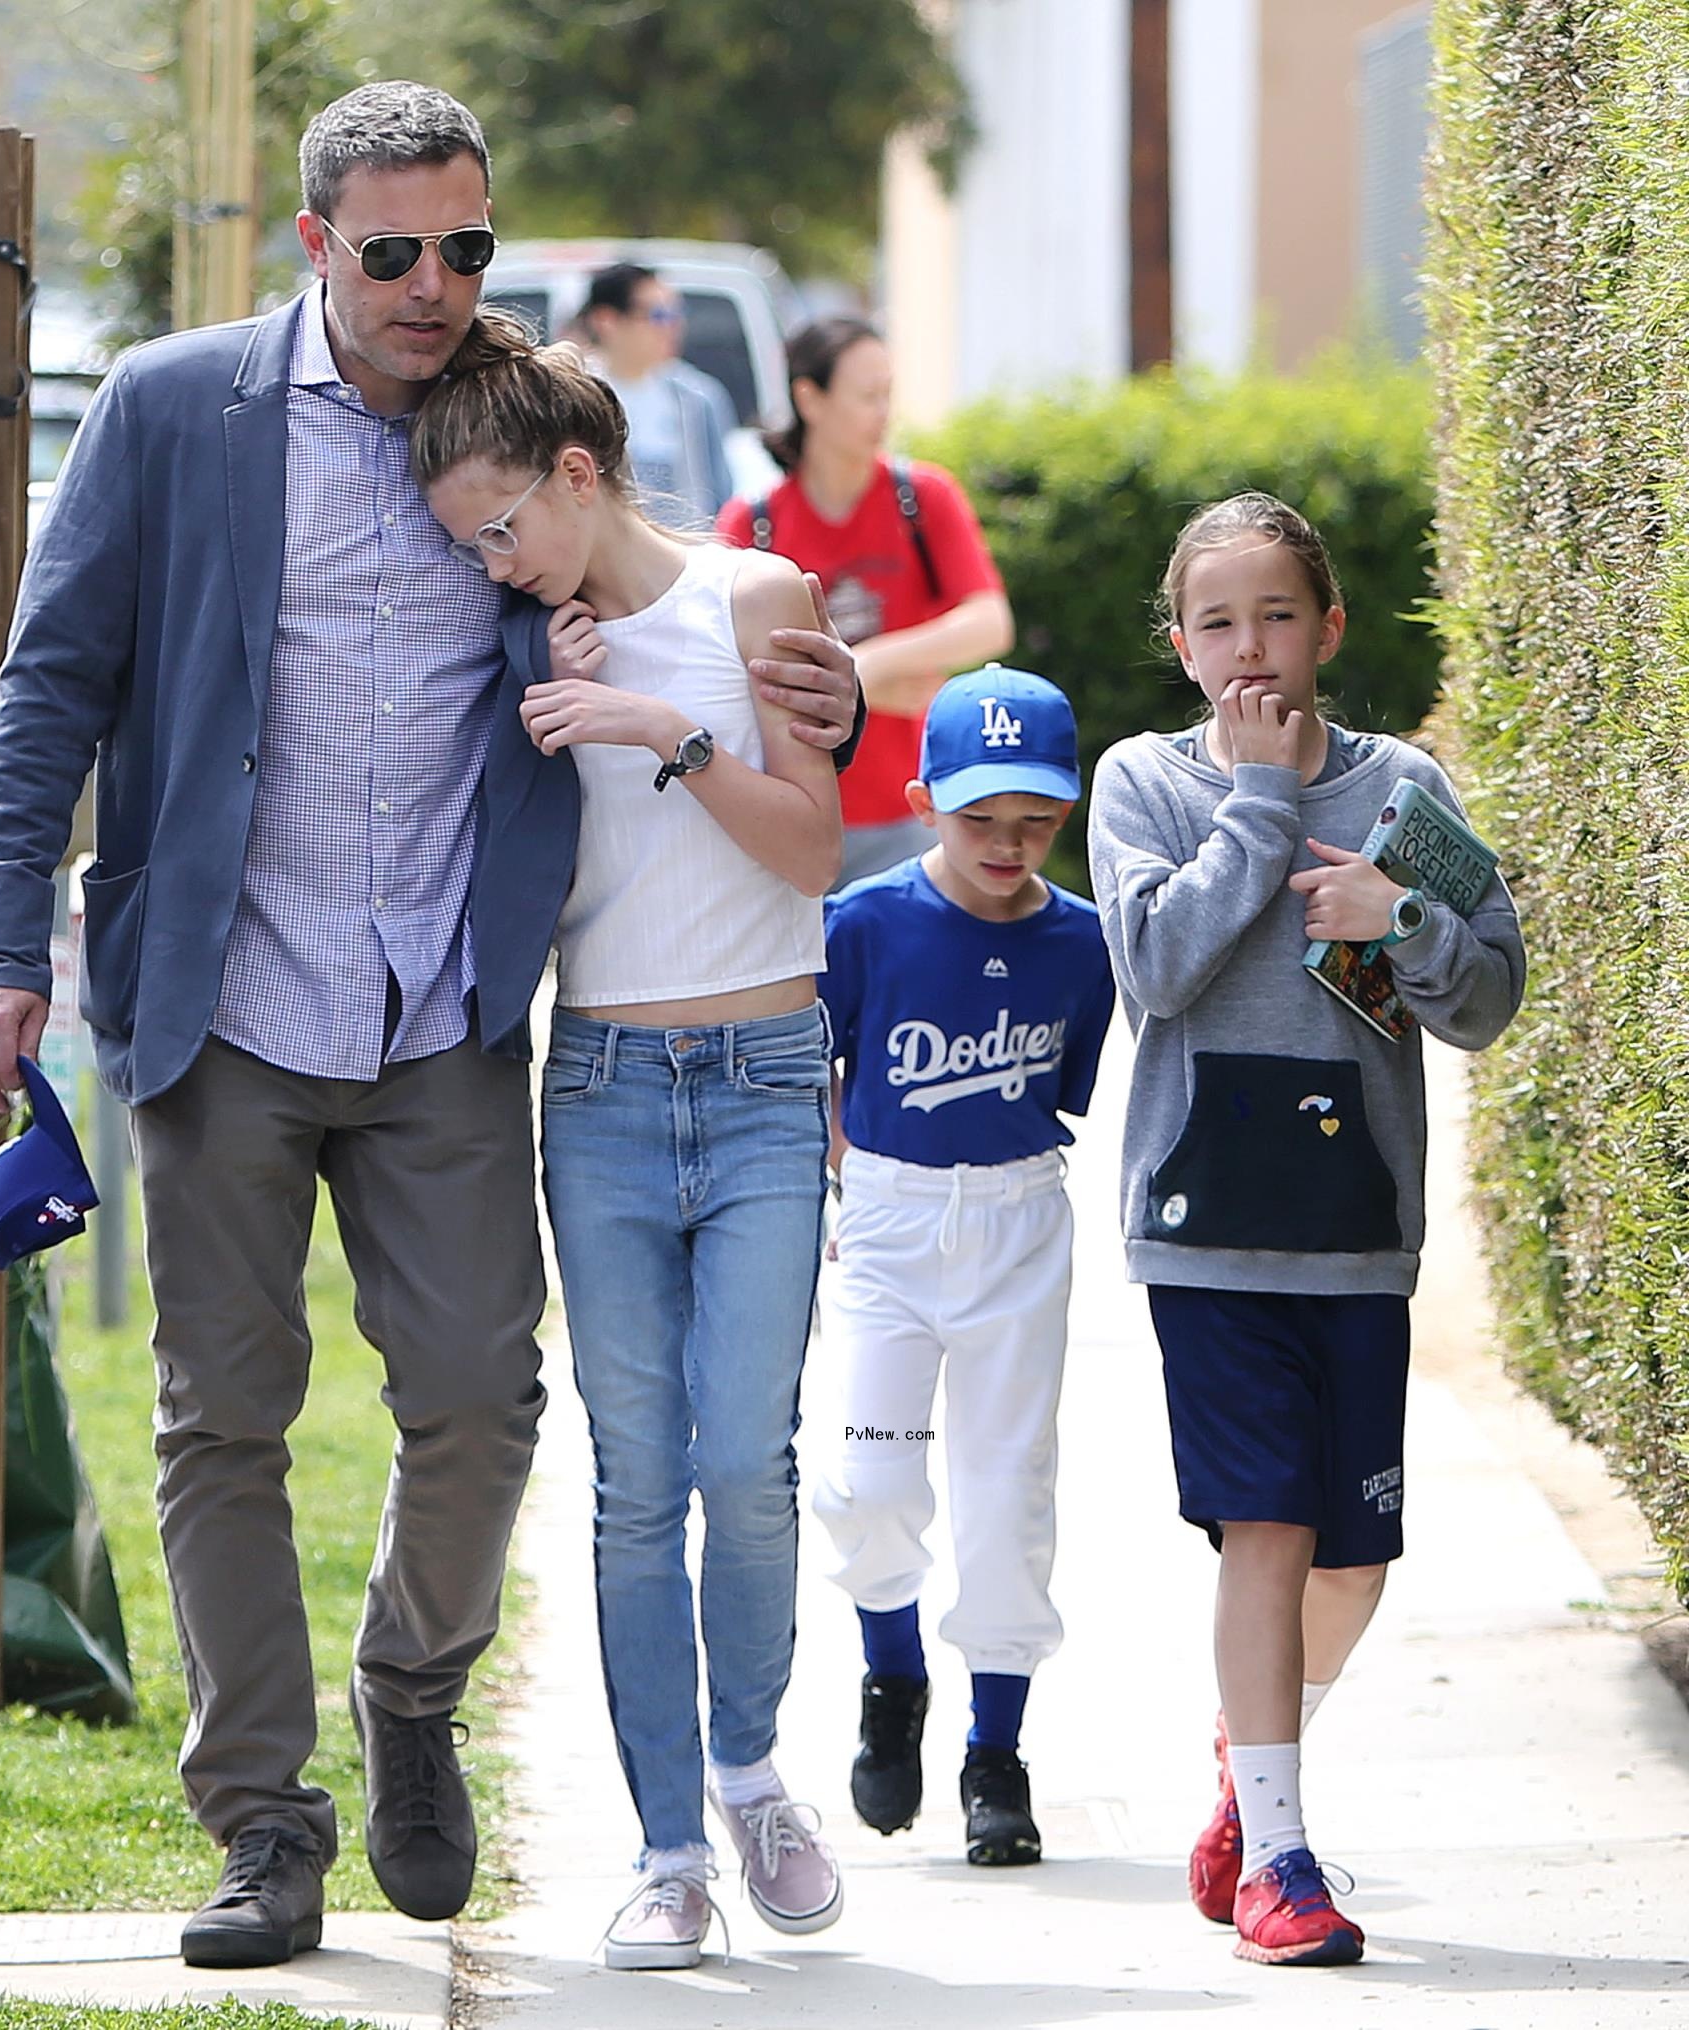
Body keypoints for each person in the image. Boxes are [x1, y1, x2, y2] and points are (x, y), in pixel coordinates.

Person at [0, 79, 859, 1972]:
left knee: (477, 1399)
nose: (434, 282)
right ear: (312, 247)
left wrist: (803, 664)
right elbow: (51, 684)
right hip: (223, 1002)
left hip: (442, 1004)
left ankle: (412, 1690)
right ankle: (265, 1821)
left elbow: (635, 550)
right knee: (225, 1421)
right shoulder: (174, 408)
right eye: (393, 252)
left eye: (467, 247)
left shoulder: (489, 417)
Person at [413, 324, 847, 1975]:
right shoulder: (526, 636)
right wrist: (548, 672)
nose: (489, 557)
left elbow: (811, 851)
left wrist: (660, 729)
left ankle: (750, 1776)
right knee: (633, 1481)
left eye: (501, 524)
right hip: (597, 1084)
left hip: (757, 1076)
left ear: (578, 475)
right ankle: (668, 1852)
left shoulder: (758, 602)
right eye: (469, 541)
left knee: (746, 1461)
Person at [1085, 492, 1524, 1968]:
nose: (1250, 647)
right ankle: (1279, 1852)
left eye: (1278, 614)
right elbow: (1153, 967)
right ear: (1180, 643)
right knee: (1261, 1526)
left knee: (1353, 1559)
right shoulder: (1144, 783)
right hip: (1207, 1228)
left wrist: (1396, 913)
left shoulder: (1407, 788)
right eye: (1217, 622)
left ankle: (1242, 1759)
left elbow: (1488, 998)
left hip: (1356, 1231)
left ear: (1329, 625)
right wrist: (1261, 804)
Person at [812, 664, 1115, 1868]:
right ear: (923, 791)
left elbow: (1065, 1095)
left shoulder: (1082, 940)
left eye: (1035, 820)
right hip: (887, 1216)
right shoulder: (866, 917)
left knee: (1008, 1490)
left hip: (1016, 1221)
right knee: (868, 1479)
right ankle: (894, 1676)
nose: (1008, 842)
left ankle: (998, 1750)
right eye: (980, 816)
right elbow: (816, 1068)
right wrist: (850, 1184)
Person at [719, 316, 1014, 887]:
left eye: (888, 394)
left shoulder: (923, 498)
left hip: (915, 808)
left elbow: (989, 622)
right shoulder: (751, 521)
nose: (884, 412)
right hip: (794, 813)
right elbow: (724, 669)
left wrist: (866, 667)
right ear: (809, 398)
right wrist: (859, 691)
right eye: (866, 396)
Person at [579, 262, 737, 529]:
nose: (673, 326)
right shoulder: (577, 397)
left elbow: (721, 498)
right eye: (659, 316)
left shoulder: (698, 398)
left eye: (677, 314)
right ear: (606, 321)